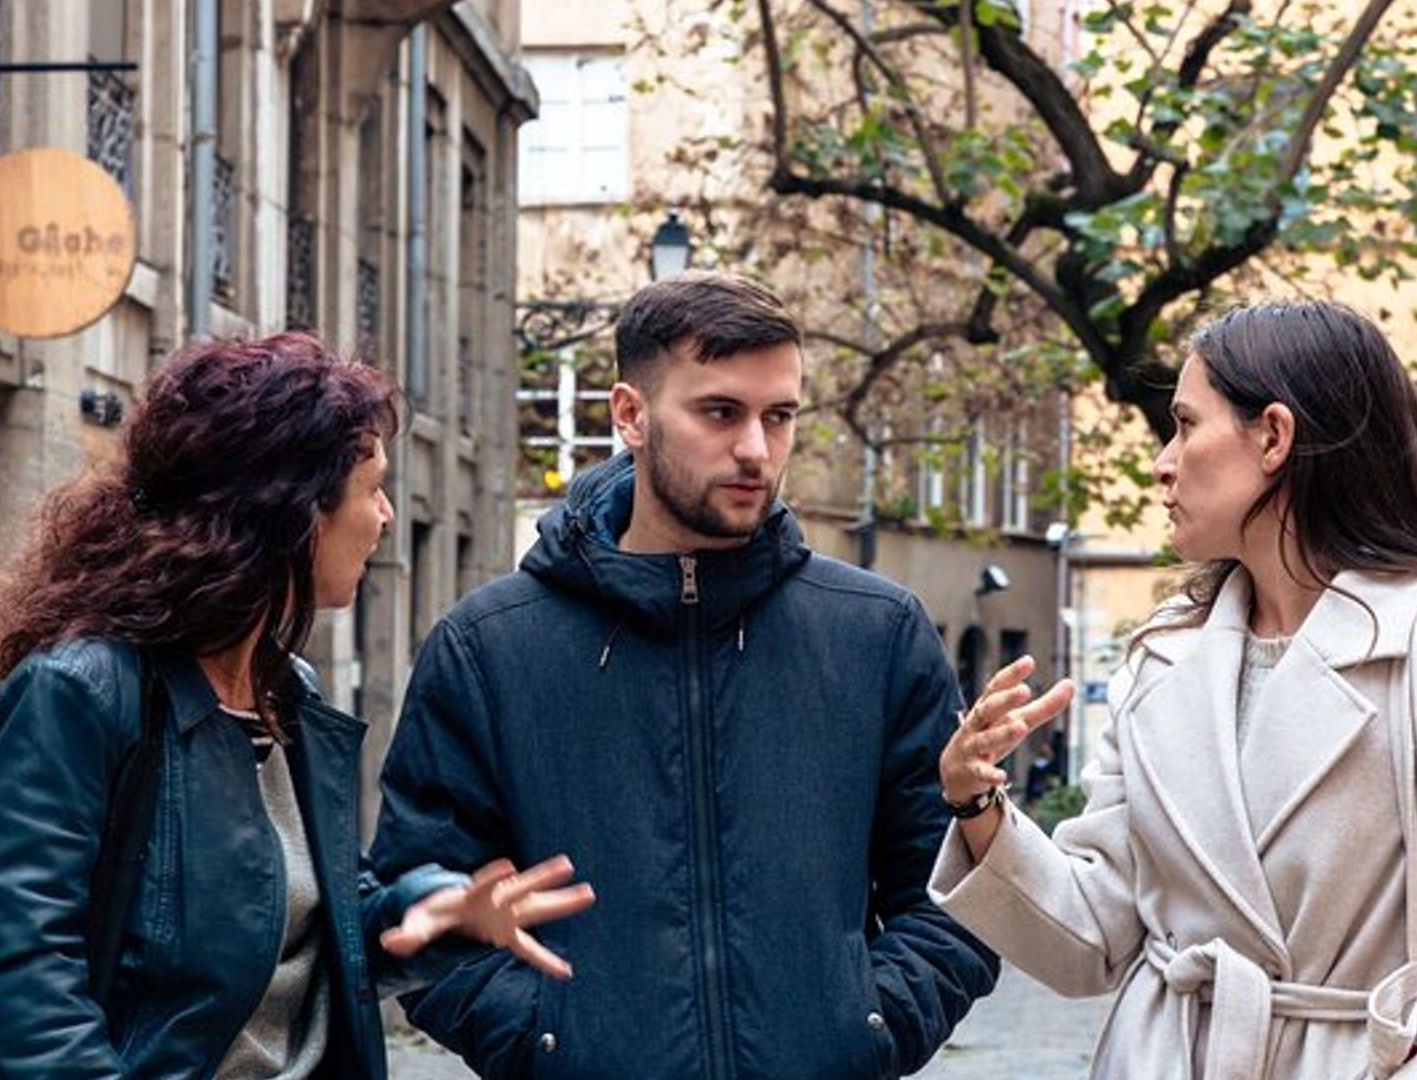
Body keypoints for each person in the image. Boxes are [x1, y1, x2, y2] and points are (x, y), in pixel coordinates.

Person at [930, 300, 1417, 1077]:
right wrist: (977, 805)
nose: (1163, 462)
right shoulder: (1164, 658)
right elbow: (1093, 942)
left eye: (1186, 425)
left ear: (1273, 436)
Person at [369, 271, 1002, 1078]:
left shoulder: (876, 634)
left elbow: (953, 894)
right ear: (630, 415)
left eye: (780, 417)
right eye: (719, 412)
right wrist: (552, 1043)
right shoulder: (489, 647)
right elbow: (419, 906)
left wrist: (865, 1027)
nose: (755, 450)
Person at [0, 333, 594, 1078]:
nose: (386, 516)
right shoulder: (78, 693)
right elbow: (23, 990)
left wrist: (433, 909)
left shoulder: (287, 696)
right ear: (292, 511)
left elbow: (313, 922)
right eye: (371, 488)